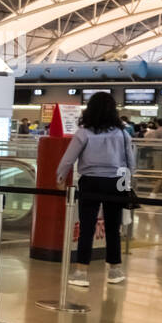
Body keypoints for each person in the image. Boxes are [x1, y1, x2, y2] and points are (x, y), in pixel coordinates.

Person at [56, 91, 135, 286]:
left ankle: (81, 272)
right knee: (113, 228)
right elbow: (130, 163)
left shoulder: (84, 133)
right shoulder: (122, 134)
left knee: (87, 228)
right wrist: (126, 184)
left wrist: (59, 178)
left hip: (90, 182)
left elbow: (68, 159)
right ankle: (115, 270)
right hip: (116, 182)